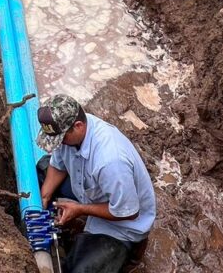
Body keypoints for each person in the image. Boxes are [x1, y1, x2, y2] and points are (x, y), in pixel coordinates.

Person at [36, 94, 156, 273]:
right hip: (91, 189)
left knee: (78, 270)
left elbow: (128, 212)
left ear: (78, 126)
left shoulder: (111, 160)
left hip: (122, 225)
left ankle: (128, 256)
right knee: (42, 168)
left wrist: (80, 210)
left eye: (61, 139)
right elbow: (58, 164)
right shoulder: (71, 131)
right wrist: (43, 198)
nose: (59, 144)